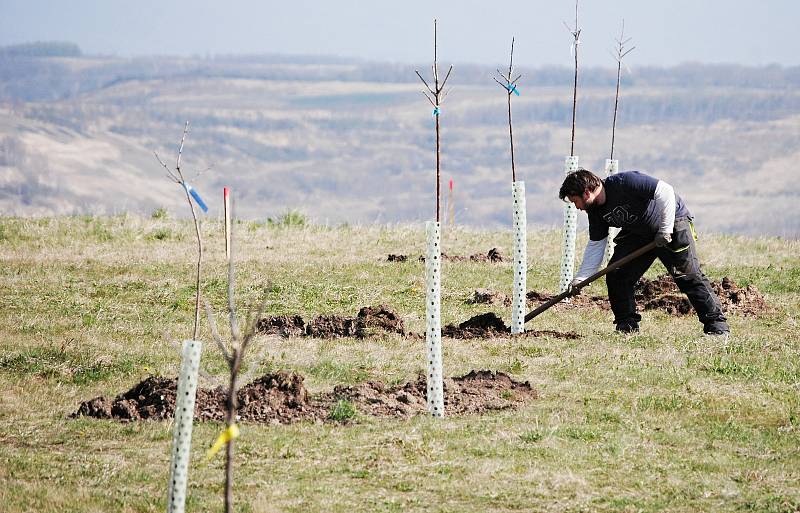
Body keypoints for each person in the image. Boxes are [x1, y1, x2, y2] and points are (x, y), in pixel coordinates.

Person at [559, 168, 729, 336]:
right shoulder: (595, 213)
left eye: (575, 202)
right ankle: (627, 327)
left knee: (687, 276)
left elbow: (665, 191)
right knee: (617, 275)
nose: (577, 207)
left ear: (587, 192)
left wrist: (665, 229)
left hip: (672, 223)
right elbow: (596, 246)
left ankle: (717, 326)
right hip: (640, 234)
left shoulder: (625, 182)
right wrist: (581, 279)